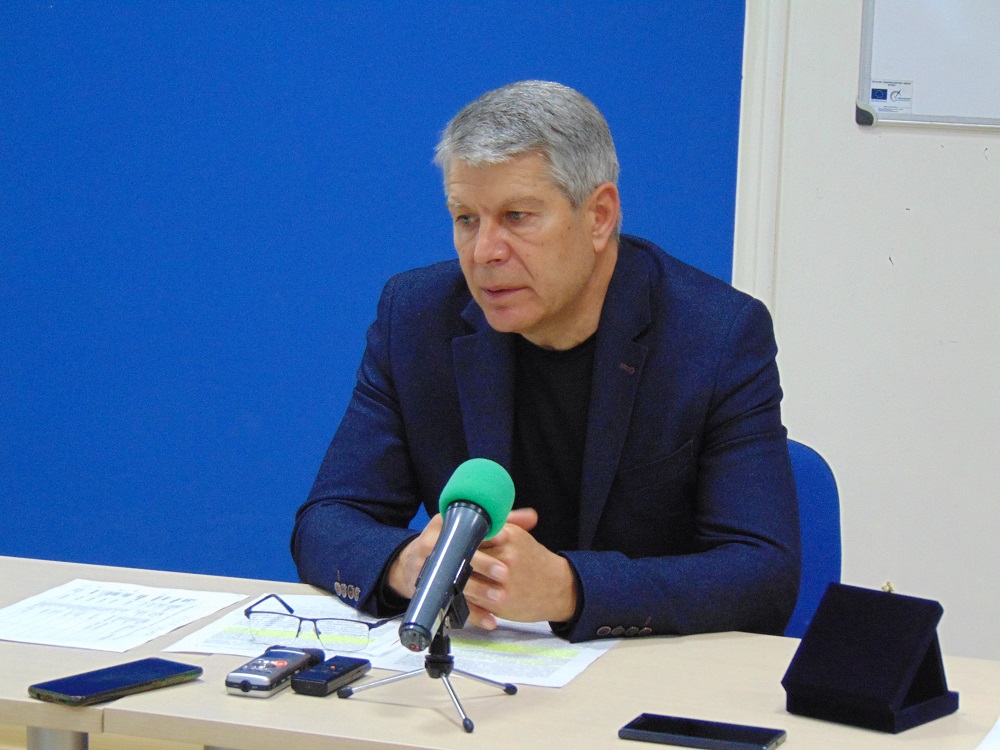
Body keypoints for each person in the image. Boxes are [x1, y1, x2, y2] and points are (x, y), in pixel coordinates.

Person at [291, 80, 800, 643]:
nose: (485, 252)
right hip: (477, 661)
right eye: (466, 219)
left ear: (599, 215)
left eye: (517, 216)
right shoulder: (416, 318)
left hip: (644, 667)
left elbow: (764, 574)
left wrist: (570, 588)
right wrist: (408, 563)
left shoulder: (715, 335)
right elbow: (326, 521)